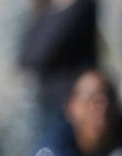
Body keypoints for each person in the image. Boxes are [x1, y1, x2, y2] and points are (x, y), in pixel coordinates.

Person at [18, 0, 99, 134]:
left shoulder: (81, 6)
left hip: (74, 102)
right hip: (49, 104)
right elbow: (25, 59)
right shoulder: (46, 11)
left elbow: (40, 54)